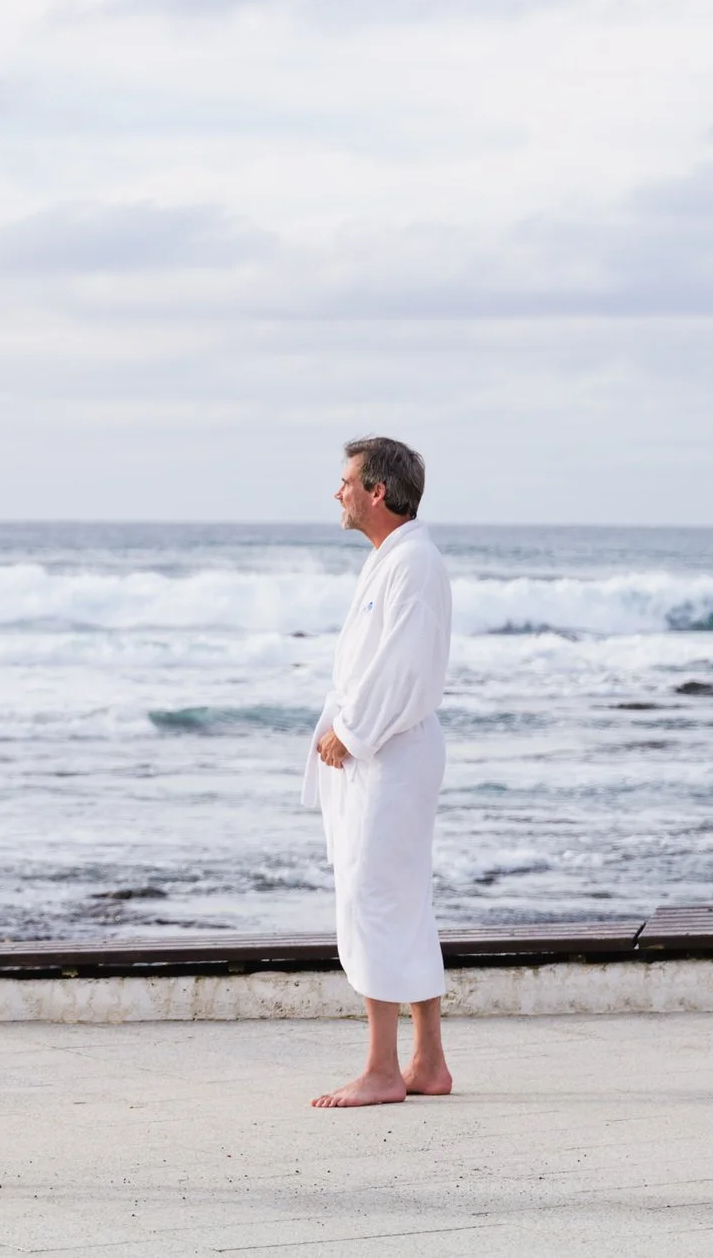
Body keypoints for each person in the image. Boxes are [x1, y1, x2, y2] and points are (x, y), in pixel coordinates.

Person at [306, 437, 455, 1108]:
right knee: (399, 898)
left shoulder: (413, 562)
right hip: (385, 749)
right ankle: (427, 1062)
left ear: (377, 491)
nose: (337, 492)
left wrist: (354, 733)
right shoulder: (390, 559)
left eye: (346, 481)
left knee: (373, 900)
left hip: (390, 749)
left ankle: (382, 1069)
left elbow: (406, 666)